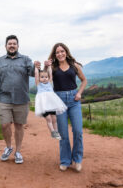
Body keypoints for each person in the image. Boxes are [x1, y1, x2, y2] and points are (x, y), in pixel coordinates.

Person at [0, 35, 39, 164]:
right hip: (4, 98)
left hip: (21, 98)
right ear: (5, 46)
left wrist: (36, 66)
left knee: (19, 126)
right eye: (10, 43)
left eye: (14, 43)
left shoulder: (26, 59)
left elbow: (32, 73)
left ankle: (18, 152)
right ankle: (8, 147)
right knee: (4, 125)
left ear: (18, 46)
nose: (12, 45)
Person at [47, 43, 87, 172]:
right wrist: (44, 66)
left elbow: (84, 80)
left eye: (62, 51)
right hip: (59, 101)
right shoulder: (52, 68)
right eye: (57, 52)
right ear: (54, 55)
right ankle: (65, 160)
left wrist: (79, 93)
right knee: (63, 133)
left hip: (74, 100)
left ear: (66, 52)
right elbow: (45, 81)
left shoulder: (74, 66)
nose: (60, 54)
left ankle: (78, 160)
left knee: (78, 131)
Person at [34, 61, 67, 140]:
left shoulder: (50, 83)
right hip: (43, 105)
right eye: (42, 77)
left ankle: (56, 132)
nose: (44, 78)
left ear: (48, 78)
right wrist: (35, 67)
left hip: (52, 104)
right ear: (39, 78)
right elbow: (36, 74)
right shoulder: (38, 84)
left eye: (46, 77)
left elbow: (50, 73)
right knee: (48, 118)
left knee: (54, 118)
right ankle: (52, 132)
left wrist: (49, 66)